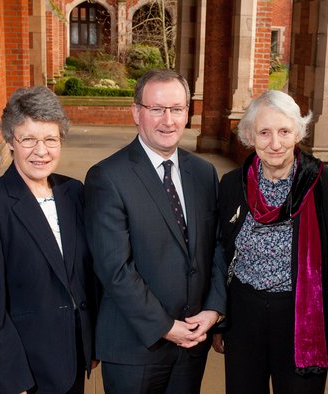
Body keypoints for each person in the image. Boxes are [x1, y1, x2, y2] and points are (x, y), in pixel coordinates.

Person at [84, 69, 226, 394]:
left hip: (192, 344)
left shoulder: (203, 173)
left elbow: (216, 247)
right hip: (135, 347)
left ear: (187, 113)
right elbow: (115, 269)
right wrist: (165, 327)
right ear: (136, 112)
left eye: (176, 109)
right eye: (156, 109)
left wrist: (213, 309)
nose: (168, 120)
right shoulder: (107, 178)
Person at [0, 86, 97, 394]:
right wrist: (12, 380)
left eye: (50, 139)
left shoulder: (73, 192)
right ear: (10, 141)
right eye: (28, 139)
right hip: (24, 370)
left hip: (71, 359)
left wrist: (89, 341)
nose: (41, 151)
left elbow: (81, 275)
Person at [212, 90, 328, 394]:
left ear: (298, 132)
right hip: (244, 315)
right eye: (264, 132)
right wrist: (221, 321)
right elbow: (222, 256)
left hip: (302, 316)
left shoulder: (326, 185)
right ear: (250, 135)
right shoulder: (232, 185)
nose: (275, 143)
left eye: (284, 131)